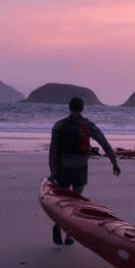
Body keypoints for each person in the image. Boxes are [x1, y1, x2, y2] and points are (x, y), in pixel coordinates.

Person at [49, 96, 121, 244]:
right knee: (75, 202)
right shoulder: (88, 126)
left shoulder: (59, 125)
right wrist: (114, 162)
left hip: (63, 166)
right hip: (80, 166)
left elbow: (53, 151)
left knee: (63, 200)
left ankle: (58, 223)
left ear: (69, 107)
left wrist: (53, 172)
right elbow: (104, 143)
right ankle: (69, 236)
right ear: (82, 108)